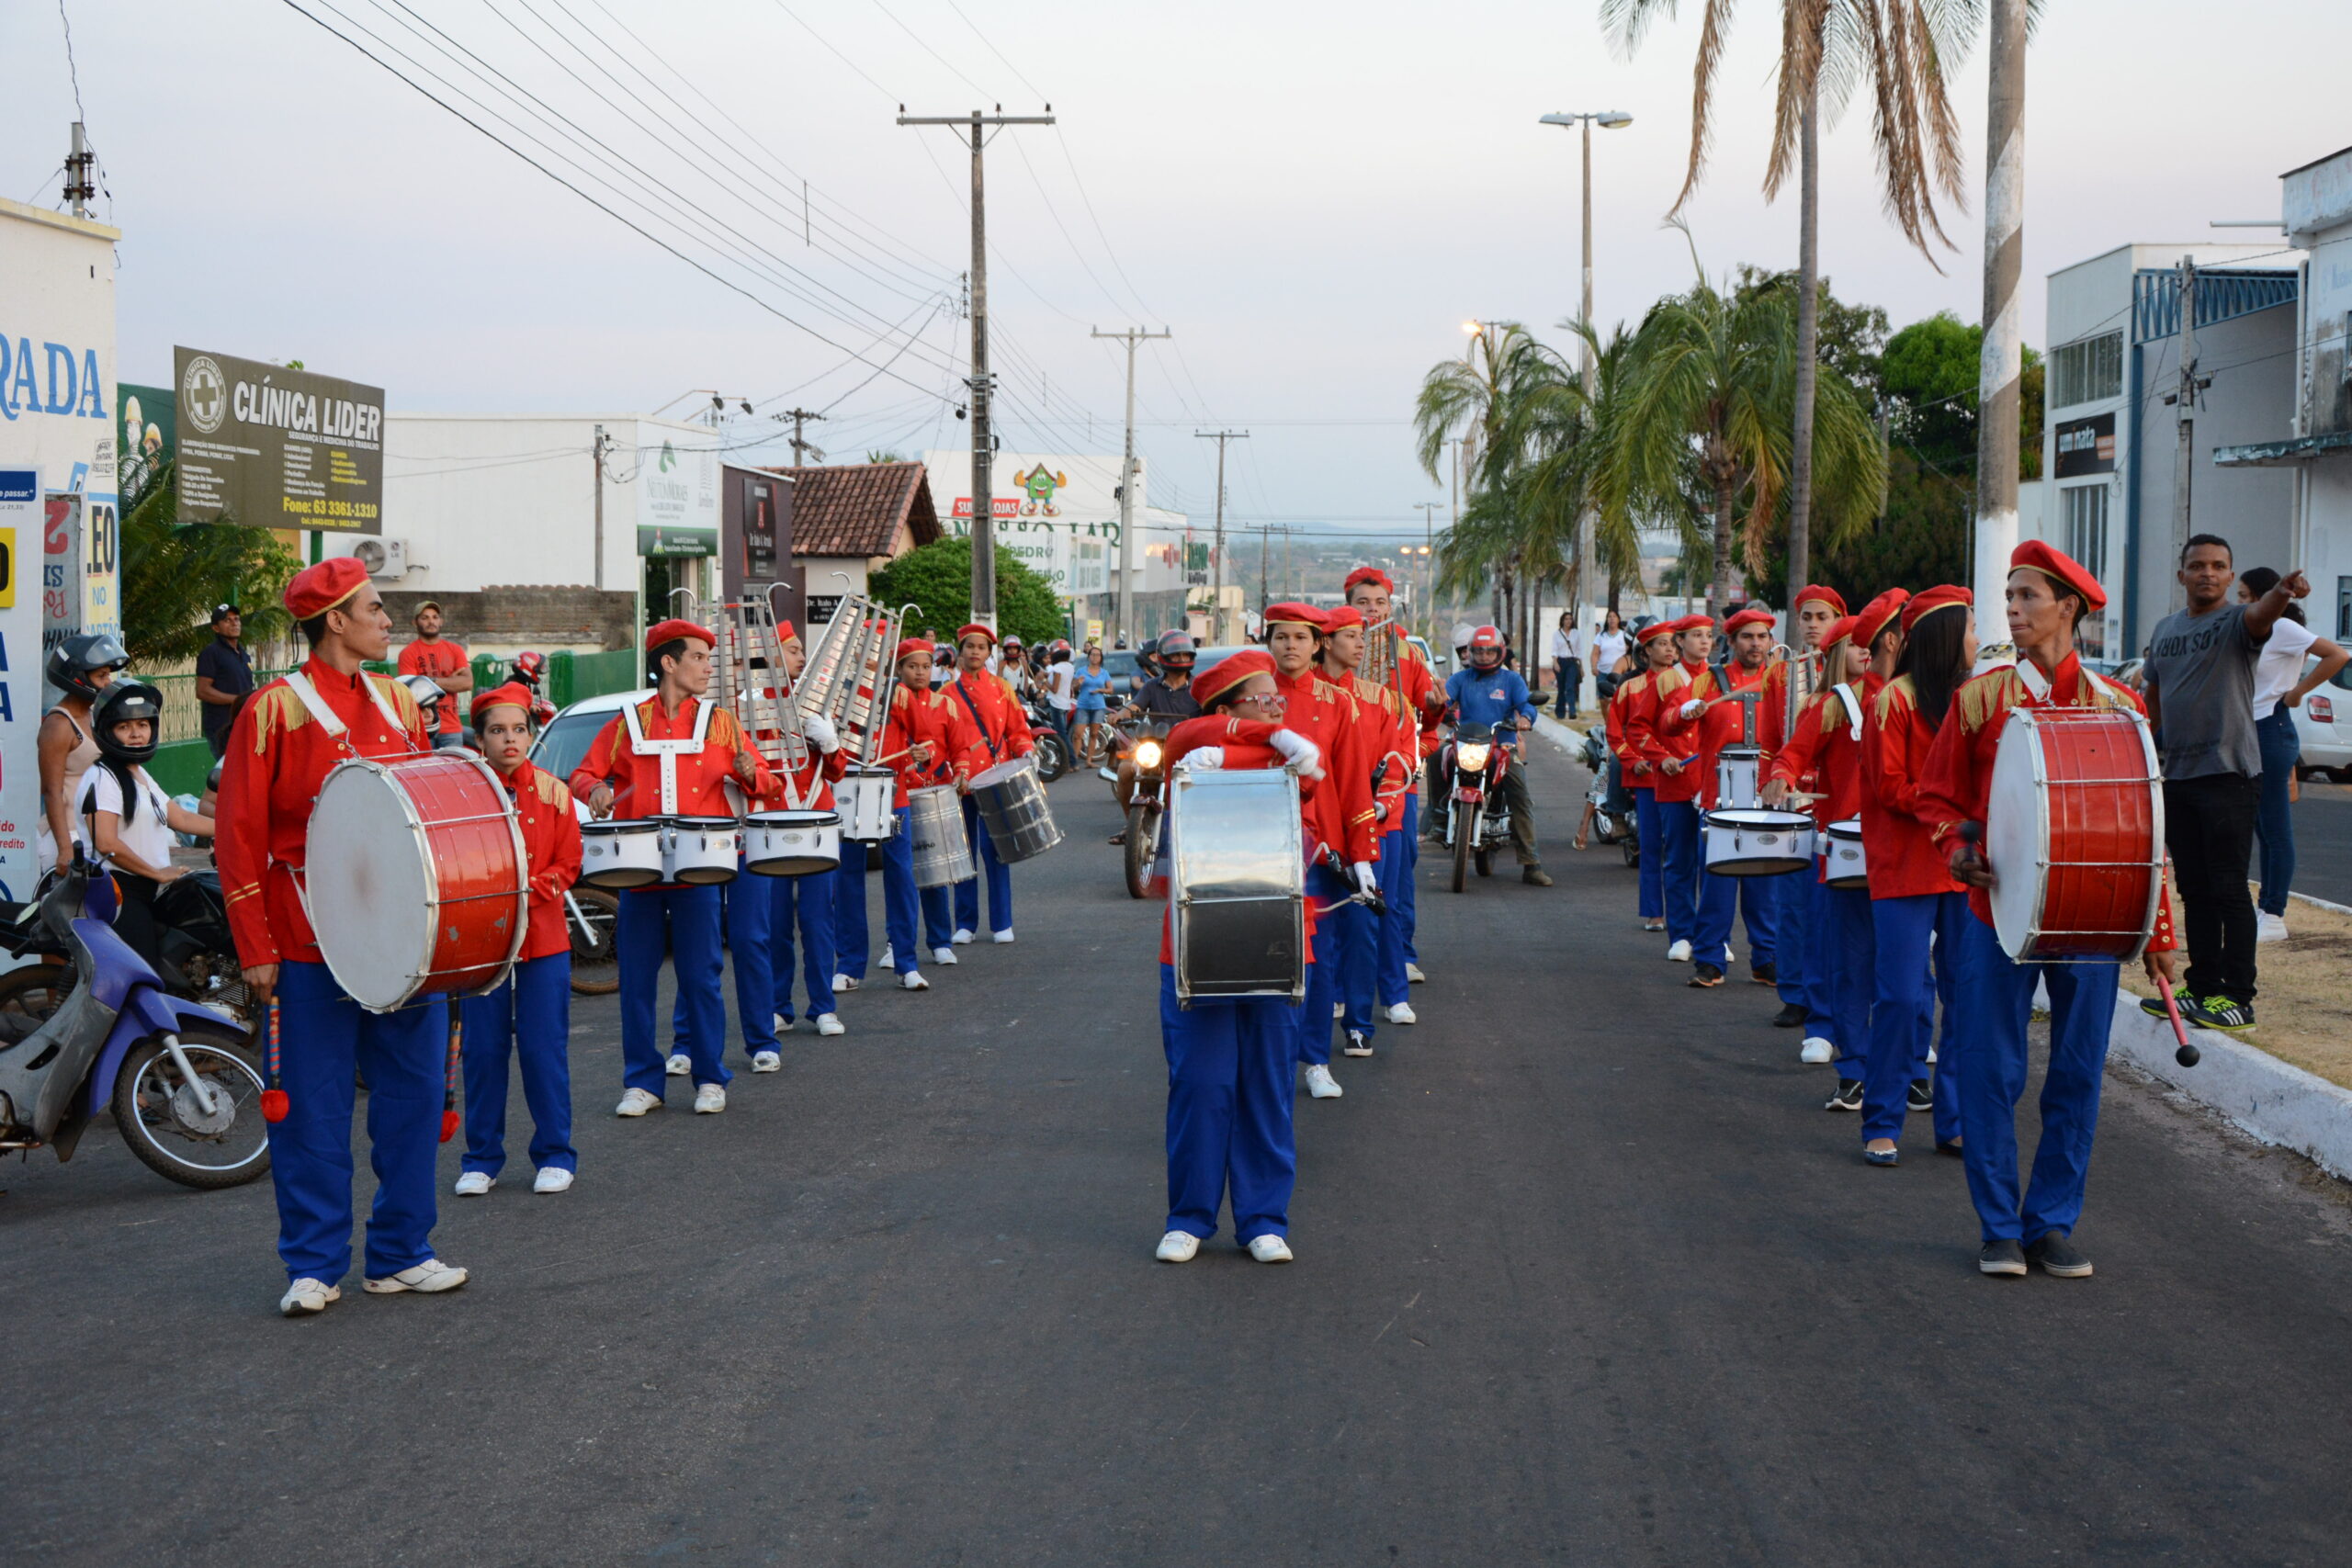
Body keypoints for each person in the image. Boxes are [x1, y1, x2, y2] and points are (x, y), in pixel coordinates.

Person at [216, 558, 467, 1317]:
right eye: (375, 608)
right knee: (312, 1108)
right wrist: (255, 945)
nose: (389, 620)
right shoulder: (272, 709)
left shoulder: (401, 702)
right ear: (335, 620)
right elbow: (237, 834)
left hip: (401, 940)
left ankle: (401, 1253)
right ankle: (314, 1264)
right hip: (305, 938)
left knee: (415, 1097)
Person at [1919, 541, 2177, 1278]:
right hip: (1994, 909)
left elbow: (2145, 829)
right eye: (2009, 596)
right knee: (1990, 1067)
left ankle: (2052, 1222)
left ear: (2068, 607)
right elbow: (1937, 797)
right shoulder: (1980, 699)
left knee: (2076, 1072)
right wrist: (1961, 846)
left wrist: (2159, 928)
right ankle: (1999, 1226)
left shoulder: (2122, 708)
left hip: (2095, 915)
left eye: (2027, 595)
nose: (2012, 608)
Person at [1152, 649, 1326, 1265]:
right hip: (1198, 943)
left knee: (1267, 1087)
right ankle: (1188, 1217)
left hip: (1278, 938)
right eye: (1262, 699)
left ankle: (1263, 1219)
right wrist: (1240, 743)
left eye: (1278, 699)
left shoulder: (1288, 755)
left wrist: (1244, 747)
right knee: (1200, 1085)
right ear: (1226, 708)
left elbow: (1312, 773)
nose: (1278, 708)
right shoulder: (1194, 751)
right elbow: (1183, 739)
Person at [570, 618, 778, 1117]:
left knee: (702, 977)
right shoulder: (627, 723)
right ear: (668, 662)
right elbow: (582, 773)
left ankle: (710, 1078)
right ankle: (642, 1082)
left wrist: (752, 774)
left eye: (709, 658)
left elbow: (769, 783)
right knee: (636, 980)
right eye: (698, 658)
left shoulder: (720, 723)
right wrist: (593, 790)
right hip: (637, 871)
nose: (708, 668)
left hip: (698, 870)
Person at [2138, 536, 2307, 1032]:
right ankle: (2202, 987)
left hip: (2230, 774)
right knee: (2195, 889)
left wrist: (2282, 592)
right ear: (2182, 575)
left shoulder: (2240, 621)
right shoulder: (2165, 629)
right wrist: (2139, 746)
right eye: (2197, 565)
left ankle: (2238, 998)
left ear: (2231, 577)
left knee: (2229, 888)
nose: (2207, 573)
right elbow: (2153, 696)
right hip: (2178, 776)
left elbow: (2263, 613)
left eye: (2217, 566)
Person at [1856, 587, 1975, 1166]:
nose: (1978, 640)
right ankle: (1881, 1119)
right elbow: (1890, 788)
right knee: (1901, 998)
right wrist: (1954, 809)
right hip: (1905, 866)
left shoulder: (1974, 699)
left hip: (1963, 867)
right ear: (1946, 638)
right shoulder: (1891, 701)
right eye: (1970, 629)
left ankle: (1954, 1120)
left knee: (1966, 996)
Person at [453, 684, 583, 1197]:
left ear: (531, 736)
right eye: (497, 730)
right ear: (480, 739)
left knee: (542, 1048)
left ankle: (555, 1154)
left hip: (543, 939)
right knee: (482, 1051)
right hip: (482, 941)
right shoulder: (464, 793)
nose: (510, 739)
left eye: (519, 729)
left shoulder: (554, 792)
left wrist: (528, 888)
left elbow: (569, 862)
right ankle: (481, 1158)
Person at [1263, 604, 1378, 1085]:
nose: (1290, 645)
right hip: (1264, 846)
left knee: (1320, 957)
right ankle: (1270, 1061)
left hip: (1321, 851)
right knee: (1267, 954)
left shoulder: (1338, 703)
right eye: (1280, 637)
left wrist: (1362, 856)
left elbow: (1353, 782)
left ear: (1317, 644)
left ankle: (1315, 1060)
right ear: (1268, 642)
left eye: (1300, 637)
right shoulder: (1254, 697)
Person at [1765, 609, 1877, 1082]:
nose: (1867, 651)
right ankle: (1822, 1026)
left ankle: (1903, 1038)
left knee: (1895, 947)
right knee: (1828, 936)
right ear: (1837, 652)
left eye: (1872, 642)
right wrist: (1781, 776)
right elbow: (1789, 754)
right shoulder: (1830, 703)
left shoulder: (1903, 697)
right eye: (1856, 643)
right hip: (1839, 839)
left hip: (1891, 843)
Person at [1658, 605, 1781, 987]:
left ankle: (1767, 958)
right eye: (1747, 637)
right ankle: (1710, 959)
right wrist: (1685, 713)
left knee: (1765, 885)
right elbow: (1668, 723)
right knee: (1717, 885)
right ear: (1732, 641)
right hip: (1719, 799)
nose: (1755, 644)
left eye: (1761, 637)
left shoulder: (1781, 681)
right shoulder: (1708, 681)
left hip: (1768, 799)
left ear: (1770, 641)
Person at [859, 637, 980, 987]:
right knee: (902, 875)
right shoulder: (889, 701)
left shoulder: (944, 704)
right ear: (899, 669)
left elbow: (959, 747)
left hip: (932, 792)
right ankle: (896, 943)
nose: (920, 673)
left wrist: (959, 772)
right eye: (912, 666)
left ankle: (940, 940)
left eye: (926, 666)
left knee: (934, 869)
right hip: (896, 792)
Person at [1316, 606, 1408, 1056]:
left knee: (1363, 926)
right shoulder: (1304, 696)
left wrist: (1382, 806)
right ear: (1326, 642)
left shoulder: (1378, 698)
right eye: (1350, 635)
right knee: (1316, 930)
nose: (1360, 644)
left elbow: (1395, 763)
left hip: (1369, 825)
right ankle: (1313, 1030)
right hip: (1317, 829)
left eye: (1362, 636)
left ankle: (1358, 1023)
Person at [2239, 567, 2349, 942]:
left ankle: (2274, 915)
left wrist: (2298, 692)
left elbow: (2336, 655)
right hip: (2251, 730)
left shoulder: (2283, 627)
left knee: (2274, 827)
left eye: (2244, 595)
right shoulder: (2251, 630)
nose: (2240, 602)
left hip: (2272, 727)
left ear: (2262, 595)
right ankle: (2265, 909)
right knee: (2262, 827)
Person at [74, 680, 216, 969]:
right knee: (144, 975)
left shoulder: (137, 774)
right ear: (107, 731)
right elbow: (107, 842)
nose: (136, 734)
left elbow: (181, 818)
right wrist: (157, 872)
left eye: (142, 724)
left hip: (142, 889)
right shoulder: (103, 778)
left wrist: (235, 827)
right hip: (118, 891)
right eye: (124, 727)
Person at [1344, 567, 1441, 989]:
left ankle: (1401, 955)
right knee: (1346, 870)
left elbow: (1428, 719)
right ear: (1349, 605)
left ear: (1390, 605)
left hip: (1398, 780)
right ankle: (1348, 967)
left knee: (1399, 871)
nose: (1373, 610)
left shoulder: (1407, 653)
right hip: (1345, 776)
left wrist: (1435, 706)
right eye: (1363, 602)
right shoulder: (1333, 646)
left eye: (1380, 602)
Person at [1759, 585, 1848, 1038]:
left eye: (1822, 617)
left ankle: (1834, 995)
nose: (1813, 624)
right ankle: (1795, 994)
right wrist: (1770, 788)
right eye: (1806, 617)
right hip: (1792, 805)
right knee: (1792, 905)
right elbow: (1770, 740)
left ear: (1838, 621)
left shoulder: (1852, 668)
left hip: (1837, 803)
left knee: (1832, 906)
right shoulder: (1779, 674)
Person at [764, 620, 850, 1042]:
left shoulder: (816, 703)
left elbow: (837, 772)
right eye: (793, 649)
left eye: (801, 650)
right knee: (776, 924)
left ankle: (823, 1006)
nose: (802, 656)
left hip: (817, 820)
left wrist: (830, 744)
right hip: (773, 824)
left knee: (818, 921)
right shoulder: (751, 705)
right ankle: (779, 1006)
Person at [1440, 626, 1550, 886]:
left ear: (1499, 652)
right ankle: (1435, 820)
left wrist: (1525, 718)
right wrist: (1438, 706)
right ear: (1470, 653)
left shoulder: (1511, 680)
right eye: (1479, 652)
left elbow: (1526, 704)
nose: (1484, 656)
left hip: (1502, 746)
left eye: (1489, 652)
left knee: (1520, 795)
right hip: (1467, 744)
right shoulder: (1460, 679)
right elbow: (1445, 700)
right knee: (1436, 758)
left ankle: (1531, 864)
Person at [945, 624, 1035, 943]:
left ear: (988, 653)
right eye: (970, 646)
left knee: (995, 850)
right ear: (960, 652)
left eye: (981, 647)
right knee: (963, 852)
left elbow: (1017, 730)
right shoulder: (946, 693)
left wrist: (1026, 752)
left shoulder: (1002, 689)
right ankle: (965, 923)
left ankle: (1002, 922)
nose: (975, 652)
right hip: (961, 782)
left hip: (995, 780)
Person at [1639, 615, 1717, 958]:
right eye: (1696, 635)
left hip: (1713, 783)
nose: (1704, 641)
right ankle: (1683, 935)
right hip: (1675, 782)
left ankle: (1714, 937)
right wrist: (1661, 758)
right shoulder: (1664, 680)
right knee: (1679, 861)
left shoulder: (1719, 678)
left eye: (1708, 635)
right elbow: (1638, 728)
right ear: (1680, 642)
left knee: (1714, 864)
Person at [39, 631, 127, 874]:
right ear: (78, 677)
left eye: (108, 675)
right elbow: (51, 790)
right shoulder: (59, 724)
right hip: (69, 835)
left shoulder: (93, 715)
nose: (108, 682)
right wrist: (65, 848)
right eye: (101, 676)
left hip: (95, 832)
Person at [1614, 619, 1681, 931]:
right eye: (1663, 644)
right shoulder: (1630, 688)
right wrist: (1633, 761)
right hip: (1647, 778)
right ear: (1647, 651)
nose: (1670, 649)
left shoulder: (1689, 684)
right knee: (1651, 845)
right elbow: (1616, 733)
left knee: (1684, 849)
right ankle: (1654, 912)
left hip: (1682, 776)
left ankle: (1684, 915)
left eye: (1673, 644)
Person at [1107, 629, 1202, 843]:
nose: (1181, 659)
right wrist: (1120, 715)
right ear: (1163, 657)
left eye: (1185, 654)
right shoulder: (1152, 686)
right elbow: (1135, 706)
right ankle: (1132, 825)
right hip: (1156, 746)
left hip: (1189, 748)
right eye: (1176, 655)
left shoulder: (1199, 686)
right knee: (1125, 770)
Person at [397, 601, 472, 751]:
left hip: (451, 729)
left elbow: (467, 683)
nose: (431, 621)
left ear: (441, 621)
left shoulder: (455, 650)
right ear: (415, 623)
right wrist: (451, 681)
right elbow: (411, 691)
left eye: (435, 617)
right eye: (425, 618)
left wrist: (428, 681)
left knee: (453, 766)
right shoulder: (408, 653)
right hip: (423, 729)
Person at [194, 604, 254, 761]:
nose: (234, 623)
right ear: (216, 628)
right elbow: (202, 691)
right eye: (227, 620)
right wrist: (237, 700)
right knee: (228, 769)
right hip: (221, 728)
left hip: (243, 723)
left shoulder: (243, 654)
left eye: (237, 619)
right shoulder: (211, 653)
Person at [1073, 645, 1115, 761]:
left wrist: (1100, 690)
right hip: (1083, 705)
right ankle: (1074, 761)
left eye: (1097, 655)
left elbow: (1111, 690)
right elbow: (1074, 688)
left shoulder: (1104, 673)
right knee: (1078, 735)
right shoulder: (1081, 671)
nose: (1095, 657)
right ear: (1088, 657)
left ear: (1101, 658)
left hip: (1098, 707)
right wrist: (1078, 684)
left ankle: (1089, 760)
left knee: (1094, 734)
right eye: (1092, 655)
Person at [1591, 610, 1631, 703]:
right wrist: (1594, 667)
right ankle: (1606, 713)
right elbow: (1595, 653)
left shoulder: (1624, 634)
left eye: (1614, 617)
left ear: (1618, 619)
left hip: (1619, 673)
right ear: (1607, 620)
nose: (1612, 619)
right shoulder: (1601, 636)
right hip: (1603, 671)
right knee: (1603, 699)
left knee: (1618, 697)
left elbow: (1629, 652)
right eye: (1609, 617)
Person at [1550, 610, 1582, 720]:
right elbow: (1554, 649)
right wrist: (1555, 662)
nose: (1568, 621)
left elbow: (1579, 650)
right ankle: (1560, 712)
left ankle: (1572, 711)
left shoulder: (1576, 633)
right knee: (1561, 688)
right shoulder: (1557, 634)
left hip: (1572, 662)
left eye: (1570, 619)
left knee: (1570, 687)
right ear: (1562, 621)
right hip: (1560, 661)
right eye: (1566, 619)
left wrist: (1581, 667)